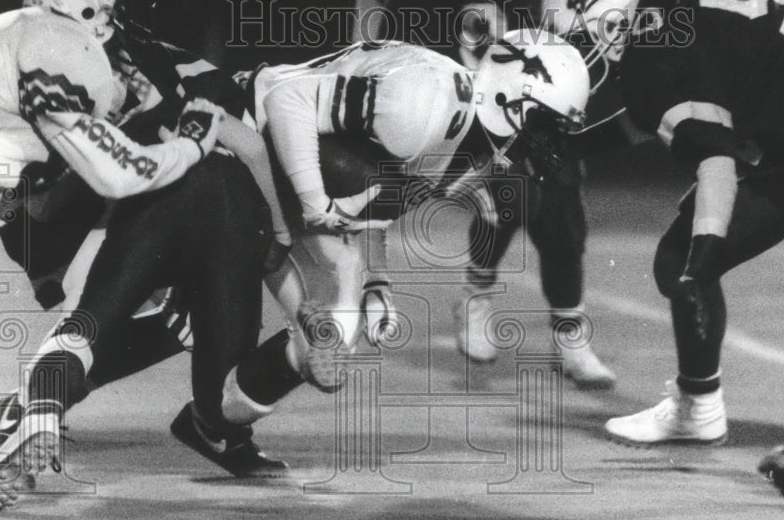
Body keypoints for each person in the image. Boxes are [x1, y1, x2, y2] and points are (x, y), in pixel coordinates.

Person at [0, 0, 288, 509]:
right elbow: (219, 147)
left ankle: (41, 399)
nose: (126, 18)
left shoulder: (22, 34)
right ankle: (45, 396)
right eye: (116, 2)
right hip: (74, 214)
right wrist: (273, 227)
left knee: (135, 319)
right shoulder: (68, 48)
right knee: (190, 249)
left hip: (53, 220)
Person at [353, 0, 645, 389]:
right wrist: (375, 51)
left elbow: (623, 4)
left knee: (553, 201)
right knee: (521, 189)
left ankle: (499, 301)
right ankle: (541, 319)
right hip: (467, 79)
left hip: (552, 82)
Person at [540, 0, 784, 447]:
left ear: (614, 22)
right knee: (676, 261)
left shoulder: (658, 59)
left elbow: (714, 159)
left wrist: (706, 250)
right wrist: (571, 144)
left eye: (577, 37)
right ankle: (698, 407)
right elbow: (657, 114)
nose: (576, 52)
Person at [219, 31, 592, 427]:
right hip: (248, 128)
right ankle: (213, 413)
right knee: (274, 304)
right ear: (510, 93)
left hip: (298, 166)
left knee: (339, 328)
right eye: (546, 124)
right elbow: (286, 99)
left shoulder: (472, 136)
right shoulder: (426, 102)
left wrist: (376, 280)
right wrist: (317, 206)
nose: (549, 142)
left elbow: (376, 196)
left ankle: (219, 419)